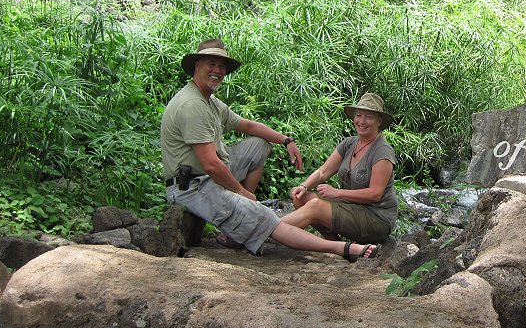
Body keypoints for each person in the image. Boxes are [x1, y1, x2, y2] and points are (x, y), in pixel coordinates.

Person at [161, 38, 380, 261]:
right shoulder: (192, 105)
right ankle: (343, 248)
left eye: (221, 65)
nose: (218, 70)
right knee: (264, 216)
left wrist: (286, 140)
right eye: (211, 64)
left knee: (258, 144)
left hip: (207, 174)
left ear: (379, 122)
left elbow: (247, 125)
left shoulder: (210, 101)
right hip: (192, 185)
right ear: (197, 65)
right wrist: (242, 193)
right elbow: (211, 164)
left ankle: (244, 223)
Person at [281, 92, 397, 252]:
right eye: (359, 115)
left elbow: (375, 194)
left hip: (376, 219)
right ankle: (336, 245)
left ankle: (266, 230)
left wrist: (337, 193)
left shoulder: (382, 151)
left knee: (315, 206)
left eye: (369, 117)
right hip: (352, 208)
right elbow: (322, 172)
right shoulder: (349, 143)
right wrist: (304, 186)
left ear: (379, 121)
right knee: (301, 198)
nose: (362, 121)